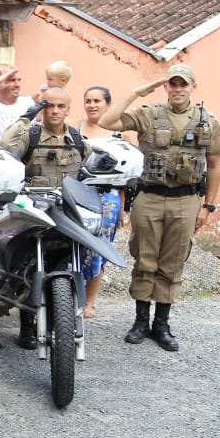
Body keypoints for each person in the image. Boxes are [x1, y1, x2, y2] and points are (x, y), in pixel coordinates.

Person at [98, 65, 220, 352]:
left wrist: (208, 206)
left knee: (173, 261)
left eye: (183, 84)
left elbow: (215, 164)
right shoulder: (149, 115)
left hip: (186, 199)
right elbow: (107, 121)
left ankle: (162, 324)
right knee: (145, 259)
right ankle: (141, 321)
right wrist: (136, 92)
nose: (178, 89)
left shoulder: (208, 121)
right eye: (173, 84)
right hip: (149, 197)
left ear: (193, 87)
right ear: (165, 86)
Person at [0, 88, 88, 349]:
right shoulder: (31, 136)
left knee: (63, 268)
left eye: (61, 106)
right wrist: (26, 118)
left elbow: (91, 171)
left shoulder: (79, 141)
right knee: (28, 270)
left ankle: (60, 321)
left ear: (68, 109)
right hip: (33, 218)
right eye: (49, 106)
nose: (55, 111)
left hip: (67, 219)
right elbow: (4, 148)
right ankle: (27, 325)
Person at [74, 86, 124, 319]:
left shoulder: (119, 133)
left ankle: (90, 301)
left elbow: (126, 177)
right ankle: (69, 298)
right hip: (78, 195)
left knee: (99, 249)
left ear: (108, 104)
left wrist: (123, 206)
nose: (92, 105)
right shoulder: (75, 129)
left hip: (108, 198)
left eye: (97, 101)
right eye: (88, 101)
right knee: (73, 246)